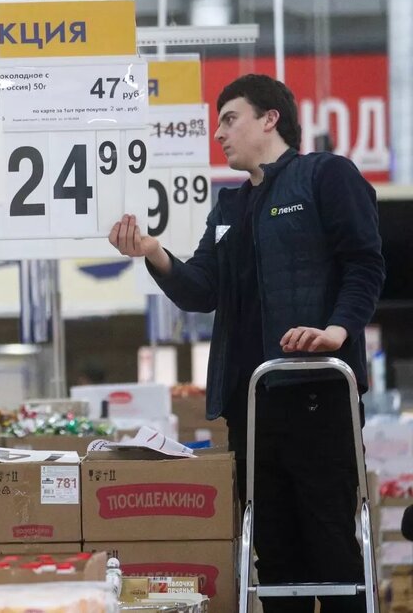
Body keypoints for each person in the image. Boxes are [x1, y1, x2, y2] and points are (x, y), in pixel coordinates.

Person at [109, 74, 384, 613]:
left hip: (317, 393)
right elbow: (201, 290)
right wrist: (154, 252)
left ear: (270, 118)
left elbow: (364, 263)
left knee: (330, 542)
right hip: (250, 406)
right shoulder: (229, 207)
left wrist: (338, 330)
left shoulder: (326, 175)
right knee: (272, 552)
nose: (219, 133)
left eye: (229, 119)